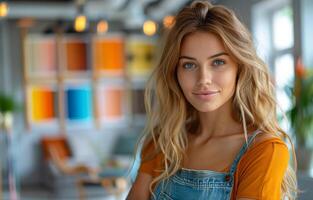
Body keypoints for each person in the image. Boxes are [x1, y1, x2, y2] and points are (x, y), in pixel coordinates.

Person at [127, 1, 298, 199]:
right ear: (175, 73)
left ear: (240, 68)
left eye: (218, 62)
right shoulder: (162, 142)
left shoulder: (264, 151)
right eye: (189, 65)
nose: (203, 80)